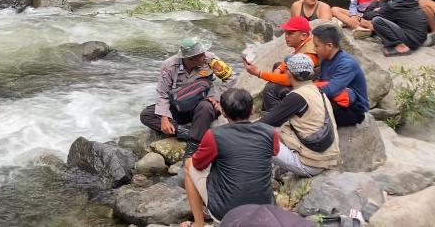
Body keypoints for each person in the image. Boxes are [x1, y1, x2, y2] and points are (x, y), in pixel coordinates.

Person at [183, 88, 279, 227]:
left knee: (188, 164)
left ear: (223, 112)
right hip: (264, 211)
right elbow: (274, 152)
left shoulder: (214, 135)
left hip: (226, 213)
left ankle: (198, 224)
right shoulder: (270, 132)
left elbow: (198, 165)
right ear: (252, 109)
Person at [140, 38, 236, 157]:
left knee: (205, 107)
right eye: (201, 55)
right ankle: (187, 132)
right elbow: (162, 94)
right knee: (146, 115)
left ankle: (193, 146)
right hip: (179, 106)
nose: (204, 56)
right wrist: (164, 118)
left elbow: (231, 77)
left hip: (204, 107)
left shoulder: (211, 59)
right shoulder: (169, 66)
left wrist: (217, 97)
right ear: (190, 58)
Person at [260, 54, 340, 177]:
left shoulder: (297, 97)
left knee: (257, 138)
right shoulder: (318, 91)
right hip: (328, 158)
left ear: (289, 73)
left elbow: (264, 123)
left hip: (310, 165)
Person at [243, 16, 319, 112]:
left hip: (309, 91)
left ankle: (272, 119)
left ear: (303, 36)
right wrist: (279, 68)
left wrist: (259, 73)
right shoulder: (306, 43)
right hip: (303, 83)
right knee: (277, 65)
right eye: (286, 33)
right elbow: (289, 61)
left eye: (290, 33)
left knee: (270, 88)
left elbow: (288, 80)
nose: (286, 36)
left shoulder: (309, 54)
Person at [311, 25, 369, 126]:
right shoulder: (325, 60)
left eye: (316, 46)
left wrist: (305, 89)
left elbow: (331, 90)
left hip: (353, 109)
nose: (314, 49)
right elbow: (321, 82)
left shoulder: (346, 64)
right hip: (336, 100)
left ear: (329, 46)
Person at [363, 0, 427, 56]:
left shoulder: (393, 6)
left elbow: (367, 14)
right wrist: (387, 0)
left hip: (412, 41)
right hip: (421, 37)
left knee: (377, 21)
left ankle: (401, 47)